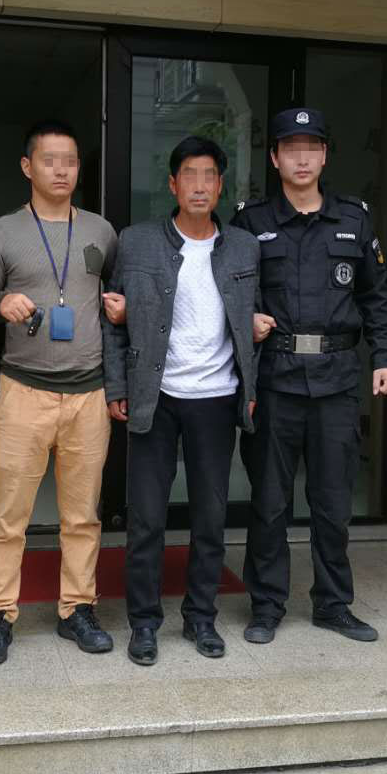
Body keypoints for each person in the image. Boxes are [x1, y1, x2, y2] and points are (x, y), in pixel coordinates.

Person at [232, 107, 387, 645]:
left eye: (311, 148)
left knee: (332, 504)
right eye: (291, 148)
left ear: (325, 156)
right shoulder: (251, 222)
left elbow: (375, 296)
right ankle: (266, 606)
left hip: (337, 382)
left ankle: (333, 604)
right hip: (275, 382)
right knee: (270, 503)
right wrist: (246, 322)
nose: (301, 158)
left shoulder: (354, 219)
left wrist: (385, 357)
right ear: (274, 157)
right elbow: (230, 292)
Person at [101, 137, 260, 666]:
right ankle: (144, 623)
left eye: (209, 175)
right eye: (189, 174)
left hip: (216, 399)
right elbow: (113, 319)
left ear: (220, 185)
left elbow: (253, 322)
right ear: (172, 184)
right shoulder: (137, 242)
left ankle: (201, 618)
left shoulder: (244, 247)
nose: (199, 185)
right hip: (156, 396)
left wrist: (251, 389)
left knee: (210, 518)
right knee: (146, 519)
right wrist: (117, 387)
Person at [0, 119, 118, 665]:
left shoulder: (101, 231)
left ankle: (77, 609)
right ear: (27, 167)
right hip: (23, 392)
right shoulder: (3, 231)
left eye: (70, 161)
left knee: (83, 515)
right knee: (9, 514)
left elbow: (116, 295)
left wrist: (121, 307)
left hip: (88, 395)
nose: (61, 170)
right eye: (49, 160)